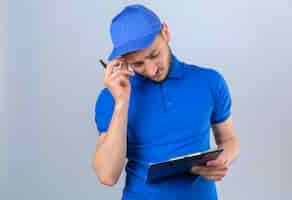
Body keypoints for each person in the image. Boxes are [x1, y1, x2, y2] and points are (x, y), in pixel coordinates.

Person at [92, 4, 239, 200]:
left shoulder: (210, 81)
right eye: (138, 64)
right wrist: (121, 102)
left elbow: (229, 139)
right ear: (123, 60)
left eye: (154, 55)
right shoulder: (110, 97)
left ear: (166, 33)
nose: (152, 70)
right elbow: (107, 175)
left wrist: (224, 158)